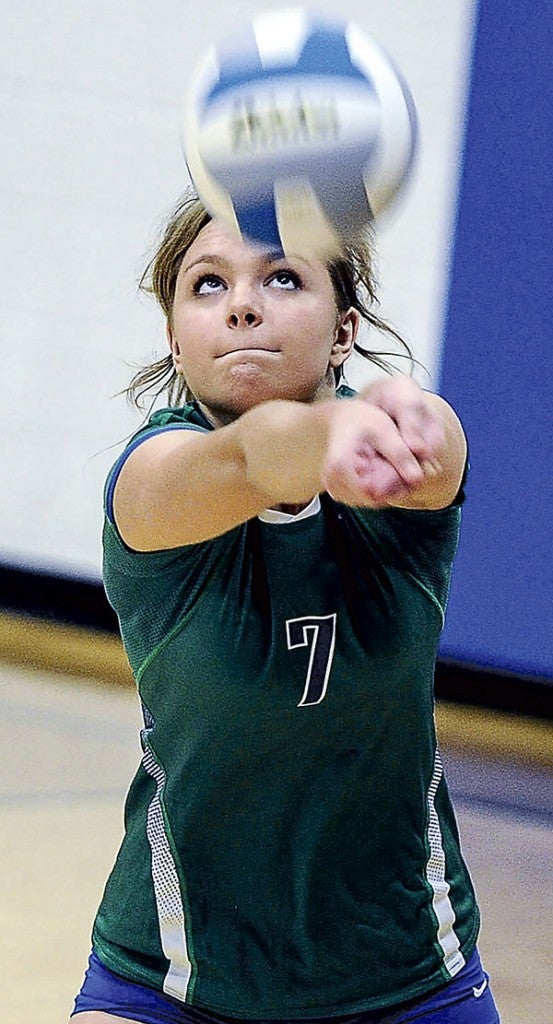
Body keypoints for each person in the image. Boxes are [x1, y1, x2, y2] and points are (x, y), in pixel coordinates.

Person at [70, 193, 501, 1023]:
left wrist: (420, 425)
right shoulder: (153, 478)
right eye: (205, 285)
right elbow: (253, 456)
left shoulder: (397, 454)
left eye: (281, 277)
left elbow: (439, 451)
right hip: (176, 975)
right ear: (172, 336)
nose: (239, 303)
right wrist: (326, 437)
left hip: (410, 976)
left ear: (343, 328)